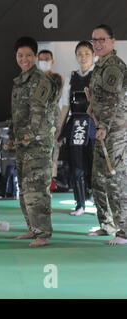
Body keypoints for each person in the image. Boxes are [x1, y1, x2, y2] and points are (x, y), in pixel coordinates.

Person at [7, 36, 59, 247]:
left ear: (35, 56)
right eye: (20, 55)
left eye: (28, 55)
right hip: (23, 144)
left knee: (36, 189)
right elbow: (17, 114)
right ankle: (32, 228)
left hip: (36, 143)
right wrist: (13, 136)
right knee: (25, 189)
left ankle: (42, 233)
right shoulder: (20, 81)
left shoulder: (40, 80)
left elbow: (38, 112)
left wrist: (28, 134)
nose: (24, 59)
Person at [86, 25, 127, 245]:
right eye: (94, 40)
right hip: (102, 128)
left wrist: (104, 125)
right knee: (98, 179)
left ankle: (124, 230)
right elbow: (100, 99)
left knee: (115, 180)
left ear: (112, 41)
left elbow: (113, 101)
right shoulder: (100, 65)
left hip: (113, 131)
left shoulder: (113, 67)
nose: (98, 44)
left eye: (102, 39)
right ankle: (107, 224)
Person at [57, 41, 96, 216]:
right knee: (77, 166)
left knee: (95, 165)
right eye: (80, 53)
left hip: (94, 125)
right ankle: (80, 204)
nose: (83, 57)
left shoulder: (98, 75)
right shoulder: (71, 77)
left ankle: (98, 200)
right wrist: (59, 129)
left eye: (87, 53)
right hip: (76, 126)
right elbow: (65, 106)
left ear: (93, 55)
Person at [37, 50, 64, 182]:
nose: (44, 62)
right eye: (41, 59)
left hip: (53, 117)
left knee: (52, 150)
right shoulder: (34, 77)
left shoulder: (57, 78)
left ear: (52, 61)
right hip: (37, 120)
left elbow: (54, 97)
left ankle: (51, 181)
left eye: (46, 59)